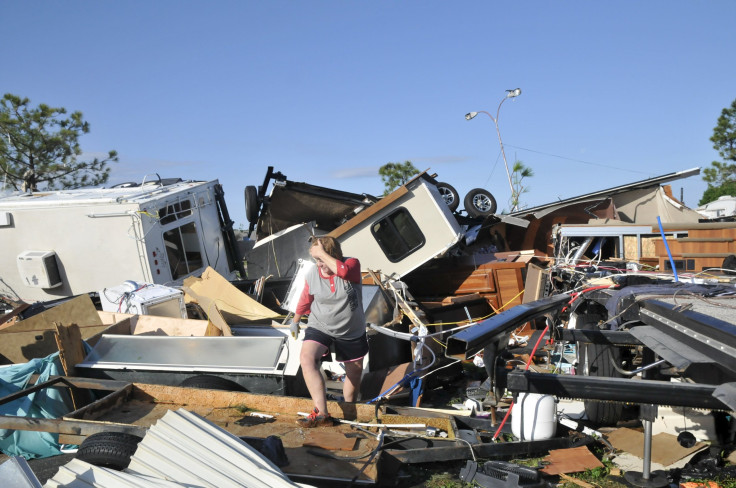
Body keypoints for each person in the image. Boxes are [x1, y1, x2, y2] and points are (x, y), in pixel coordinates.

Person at [290, 236, 368, 428]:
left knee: (354, 372)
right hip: (320, 324)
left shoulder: (351, 264)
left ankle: (349, 410)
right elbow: (305, 298)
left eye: (323, 259)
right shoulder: (312, 274)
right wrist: (296, 320)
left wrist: (322, 254)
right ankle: (321, 412)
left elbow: (343, 271)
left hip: (350, 328)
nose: (320, 264)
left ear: (334, 255)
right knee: (307, 358)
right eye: (316, 260)